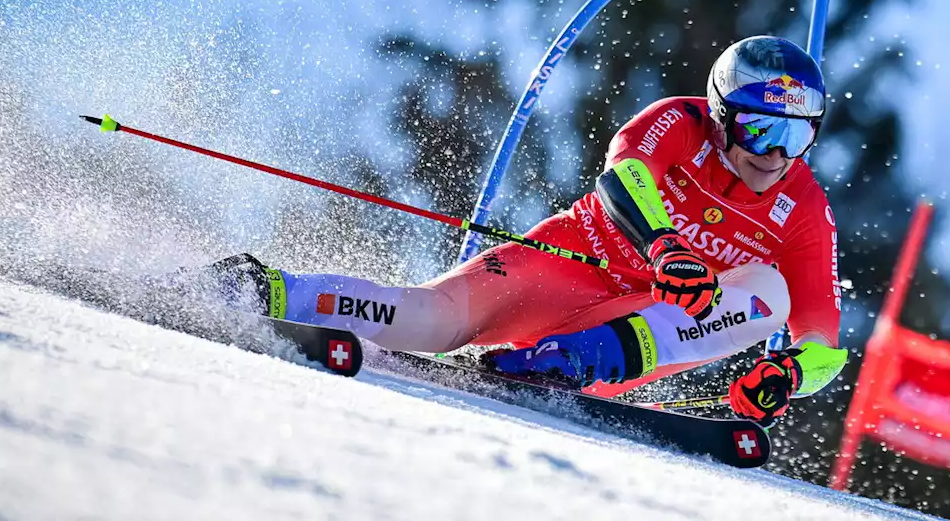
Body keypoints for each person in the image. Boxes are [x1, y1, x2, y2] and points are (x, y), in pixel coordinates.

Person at [224, 35, 847, 427]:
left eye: (797, 134)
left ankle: (564, 363)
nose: (775, 154)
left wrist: (787, 375)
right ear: (719, 117)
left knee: (770, 290)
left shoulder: (805, 210)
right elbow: (623, 177)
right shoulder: (678, 122)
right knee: (433, 320)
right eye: (761, 130)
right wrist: (666, 247)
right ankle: (265, 291)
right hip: (564, 263)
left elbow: (824, 343)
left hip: (634, 324)